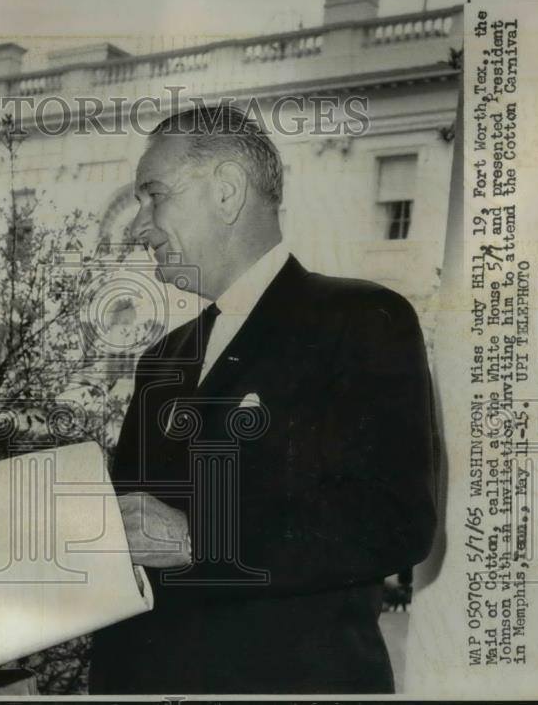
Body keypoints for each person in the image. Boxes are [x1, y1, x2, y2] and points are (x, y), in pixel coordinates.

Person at [88, 106, 437, 694]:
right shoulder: (163, 359)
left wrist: (200, 538)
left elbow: (394, 522)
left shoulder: (362, 319)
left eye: (155, 196)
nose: (141, 226)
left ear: (227, 192)